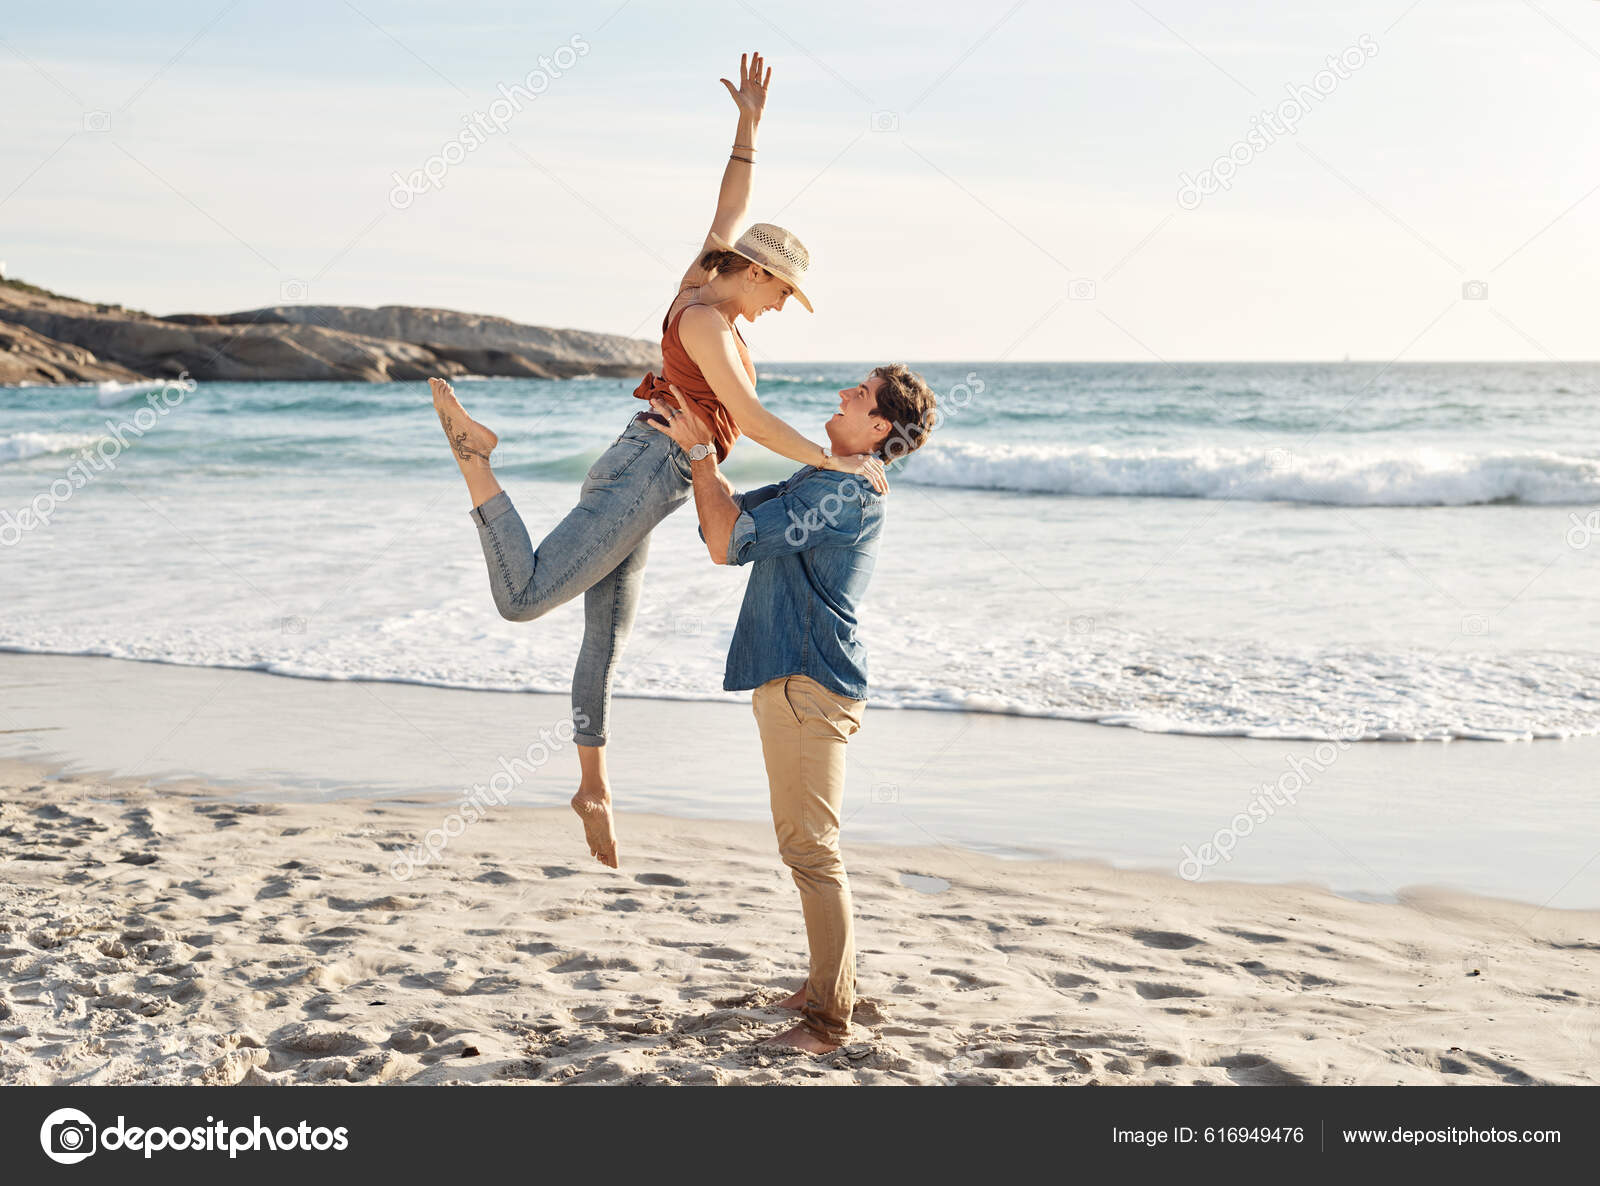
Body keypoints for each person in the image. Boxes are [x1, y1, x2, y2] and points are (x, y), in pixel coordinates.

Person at [429, 52, 885, 870]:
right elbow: (742, 416)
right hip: (647, 470)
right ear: (757, 273)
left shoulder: (708, 292)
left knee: (606, 639)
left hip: (650, 473)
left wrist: (747, 126)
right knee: (523, 598)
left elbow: (729, 207)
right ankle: (476, 458)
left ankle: (593, 786)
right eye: (784, 291)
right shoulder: (708, 322)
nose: (784, 307)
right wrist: (831, 460)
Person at [646, 364, 937, 1053]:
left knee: (812, 852)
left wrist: (699, 455)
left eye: (859, 394)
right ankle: (824, 987)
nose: (843, 393)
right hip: (794, 678)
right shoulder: (825, 479)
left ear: (878, 428)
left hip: (811, 684)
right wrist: (701, 444)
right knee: (806, 847)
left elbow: (726, 541)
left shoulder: (841, 495)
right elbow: (734, 517)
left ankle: (829, 1021)